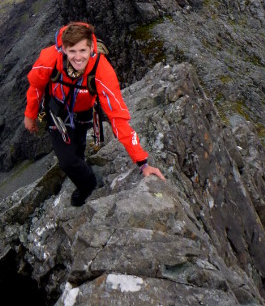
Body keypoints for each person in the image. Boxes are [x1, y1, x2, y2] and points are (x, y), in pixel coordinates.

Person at [24, 22, 165, 206]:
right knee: (67, 161)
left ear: (91, 48)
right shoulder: (49, 60)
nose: (78, 57)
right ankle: (88, 184)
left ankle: (81, 171)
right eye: (72, 51)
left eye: (83, 50)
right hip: (56, 114)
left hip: (83, 114)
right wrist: (30, 114)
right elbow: (36, 86)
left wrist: (142, 163)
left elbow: (118, 118)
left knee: (78, 149)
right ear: (64, 49)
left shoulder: (101, 69)